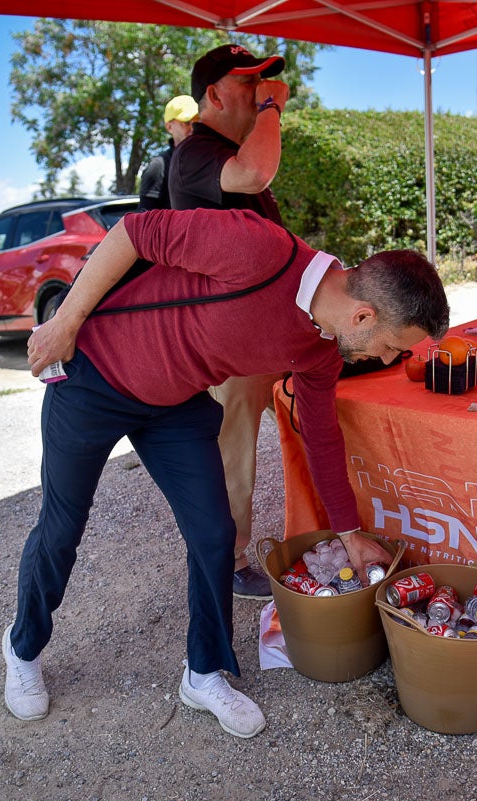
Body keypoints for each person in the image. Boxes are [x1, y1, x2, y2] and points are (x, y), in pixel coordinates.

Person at [3, 207, 450, 737]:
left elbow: (322, 437)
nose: (385, 359)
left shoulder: (323, 348)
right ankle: (22, 646)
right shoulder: (258, 248)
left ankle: (203, 672)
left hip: (176, 402)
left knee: (216, 535)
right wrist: (65, 322)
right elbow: (132, 233)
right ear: (363, 316)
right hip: (94, 377)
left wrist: (349, 533)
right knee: (62, 527)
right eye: (391, 346)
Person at [168, 44, 289, 600]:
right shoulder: (197, 153)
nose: (264, 91)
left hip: (261, 333)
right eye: (251, 84)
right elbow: (256, 170)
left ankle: (331, 528)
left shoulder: (225, 152)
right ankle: (230, 559)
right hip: (227, 342)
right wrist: (272, 112)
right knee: (232, 447)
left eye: (266, 83)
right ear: (214, 95)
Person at [137, 95, 198, 212]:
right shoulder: (158, 166)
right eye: (186, 122)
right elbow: (144, 222)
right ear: (169, 127)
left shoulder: (208, 162)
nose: (193, 128)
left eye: (197, 122)